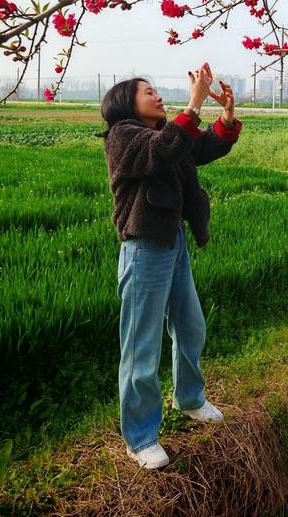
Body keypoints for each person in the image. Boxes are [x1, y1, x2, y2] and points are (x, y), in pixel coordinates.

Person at [101, 63, 242, 470]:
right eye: (149, 92)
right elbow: (162, 150)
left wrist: (226, 116)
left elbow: (198, 149)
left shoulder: (165, 135)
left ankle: (189, 399)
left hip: (172, 242)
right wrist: (194, 101)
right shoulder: (123, 137)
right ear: (127, 104)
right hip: (144, 248)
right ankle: (140, 437)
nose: (158, 96)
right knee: (142, 345)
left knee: (190, 325)